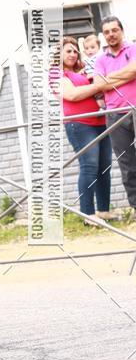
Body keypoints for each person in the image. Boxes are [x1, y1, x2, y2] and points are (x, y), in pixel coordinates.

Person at [56, 37, 113, 224]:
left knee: (104, 167)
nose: (72, 54)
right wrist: (97, 85)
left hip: (100, 122)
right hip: (79, 125)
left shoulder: (83, 71)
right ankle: (88, 215)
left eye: (74, 51)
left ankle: (103, 211)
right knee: (89, 167)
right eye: (68, 51)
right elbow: (71, 94)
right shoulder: (58, 75)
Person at [92, 16, 136, 218]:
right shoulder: (100, 59)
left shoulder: (133, 49)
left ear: (122, 31)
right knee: (127, 165)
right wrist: (126, 74)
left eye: (114, 30)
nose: (111, 34)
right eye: (107, 31)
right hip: (115, 115)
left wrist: (110, 78)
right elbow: (99, 85)